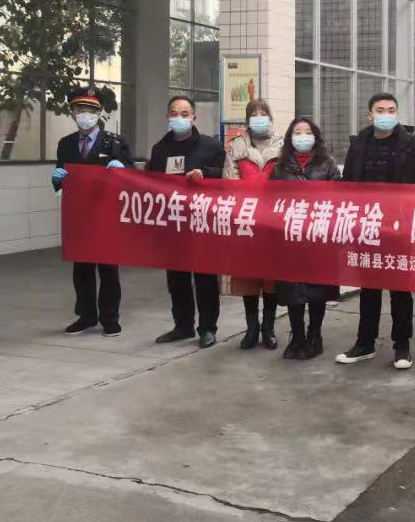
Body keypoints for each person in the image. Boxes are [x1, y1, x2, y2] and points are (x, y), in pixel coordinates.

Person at [336, 92, 415, 370]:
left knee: (400, 290)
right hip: (367, 227)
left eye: (391, 110)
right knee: (369, 288)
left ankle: (402, 346)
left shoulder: (414, 148)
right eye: (380, 110)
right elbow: (347, 184)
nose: (386, 114)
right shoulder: (358, 147)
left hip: (399, 229)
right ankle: (364, 343)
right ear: (369, 116)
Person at [53, 85, 134, 337]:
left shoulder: (114, 142)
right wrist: (57, 179)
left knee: (108, 268)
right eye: (79, 109)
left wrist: (123, 169)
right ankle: (86, 316)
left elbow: (133, 177)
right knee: (82, 268)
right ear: (73, 112)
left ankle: (110, 317)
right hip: (79, 216)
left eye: (90, 110)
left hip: (107, 214)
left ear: (99, 113)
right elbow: (61, 180)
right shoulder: (66, 144)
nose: (84, 114)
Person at [147, 95, 226, 348]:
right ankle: (182, 326)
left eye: (184, 114)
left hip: (203, 222)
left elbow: (226, 178)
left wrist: (206, 174)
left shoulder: (211, 147)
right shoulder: (160, 149)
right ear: (167, 117)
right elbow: (151, 182)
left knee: (205, 278)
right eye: (173, 113)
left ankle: (207, 328)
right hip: (174, 223)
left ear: (193, 117)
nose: (178, 118)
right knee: (176, 279)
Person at [271, 116, 342, 360]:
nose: (303, 136)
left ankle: (315, 335)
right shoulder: (280, 167)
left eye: (307, 132)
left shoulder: (327, 165)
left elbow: (339, 198)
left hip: (318, 237)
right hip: (290, 238)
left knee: (316, 290)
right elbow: (271, 201)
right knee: (293, 290)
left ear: (316, 137)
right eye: (297, 132)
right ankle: (297, 335)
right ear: (290, 138)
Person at [223, 99, 283, 351]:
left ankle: (269, 329)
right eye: (254, 114)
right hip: (246, 220)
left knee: (271, 278)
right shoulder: (237, 146)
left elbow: (289, 183)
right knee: (248, 276)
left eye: (263, 113)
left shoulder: (283, 145)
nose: (259, 117)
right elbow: (229, 182)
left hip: (273, 222)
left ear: (270, 117)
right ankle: (251, 328)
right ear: (247, 120)